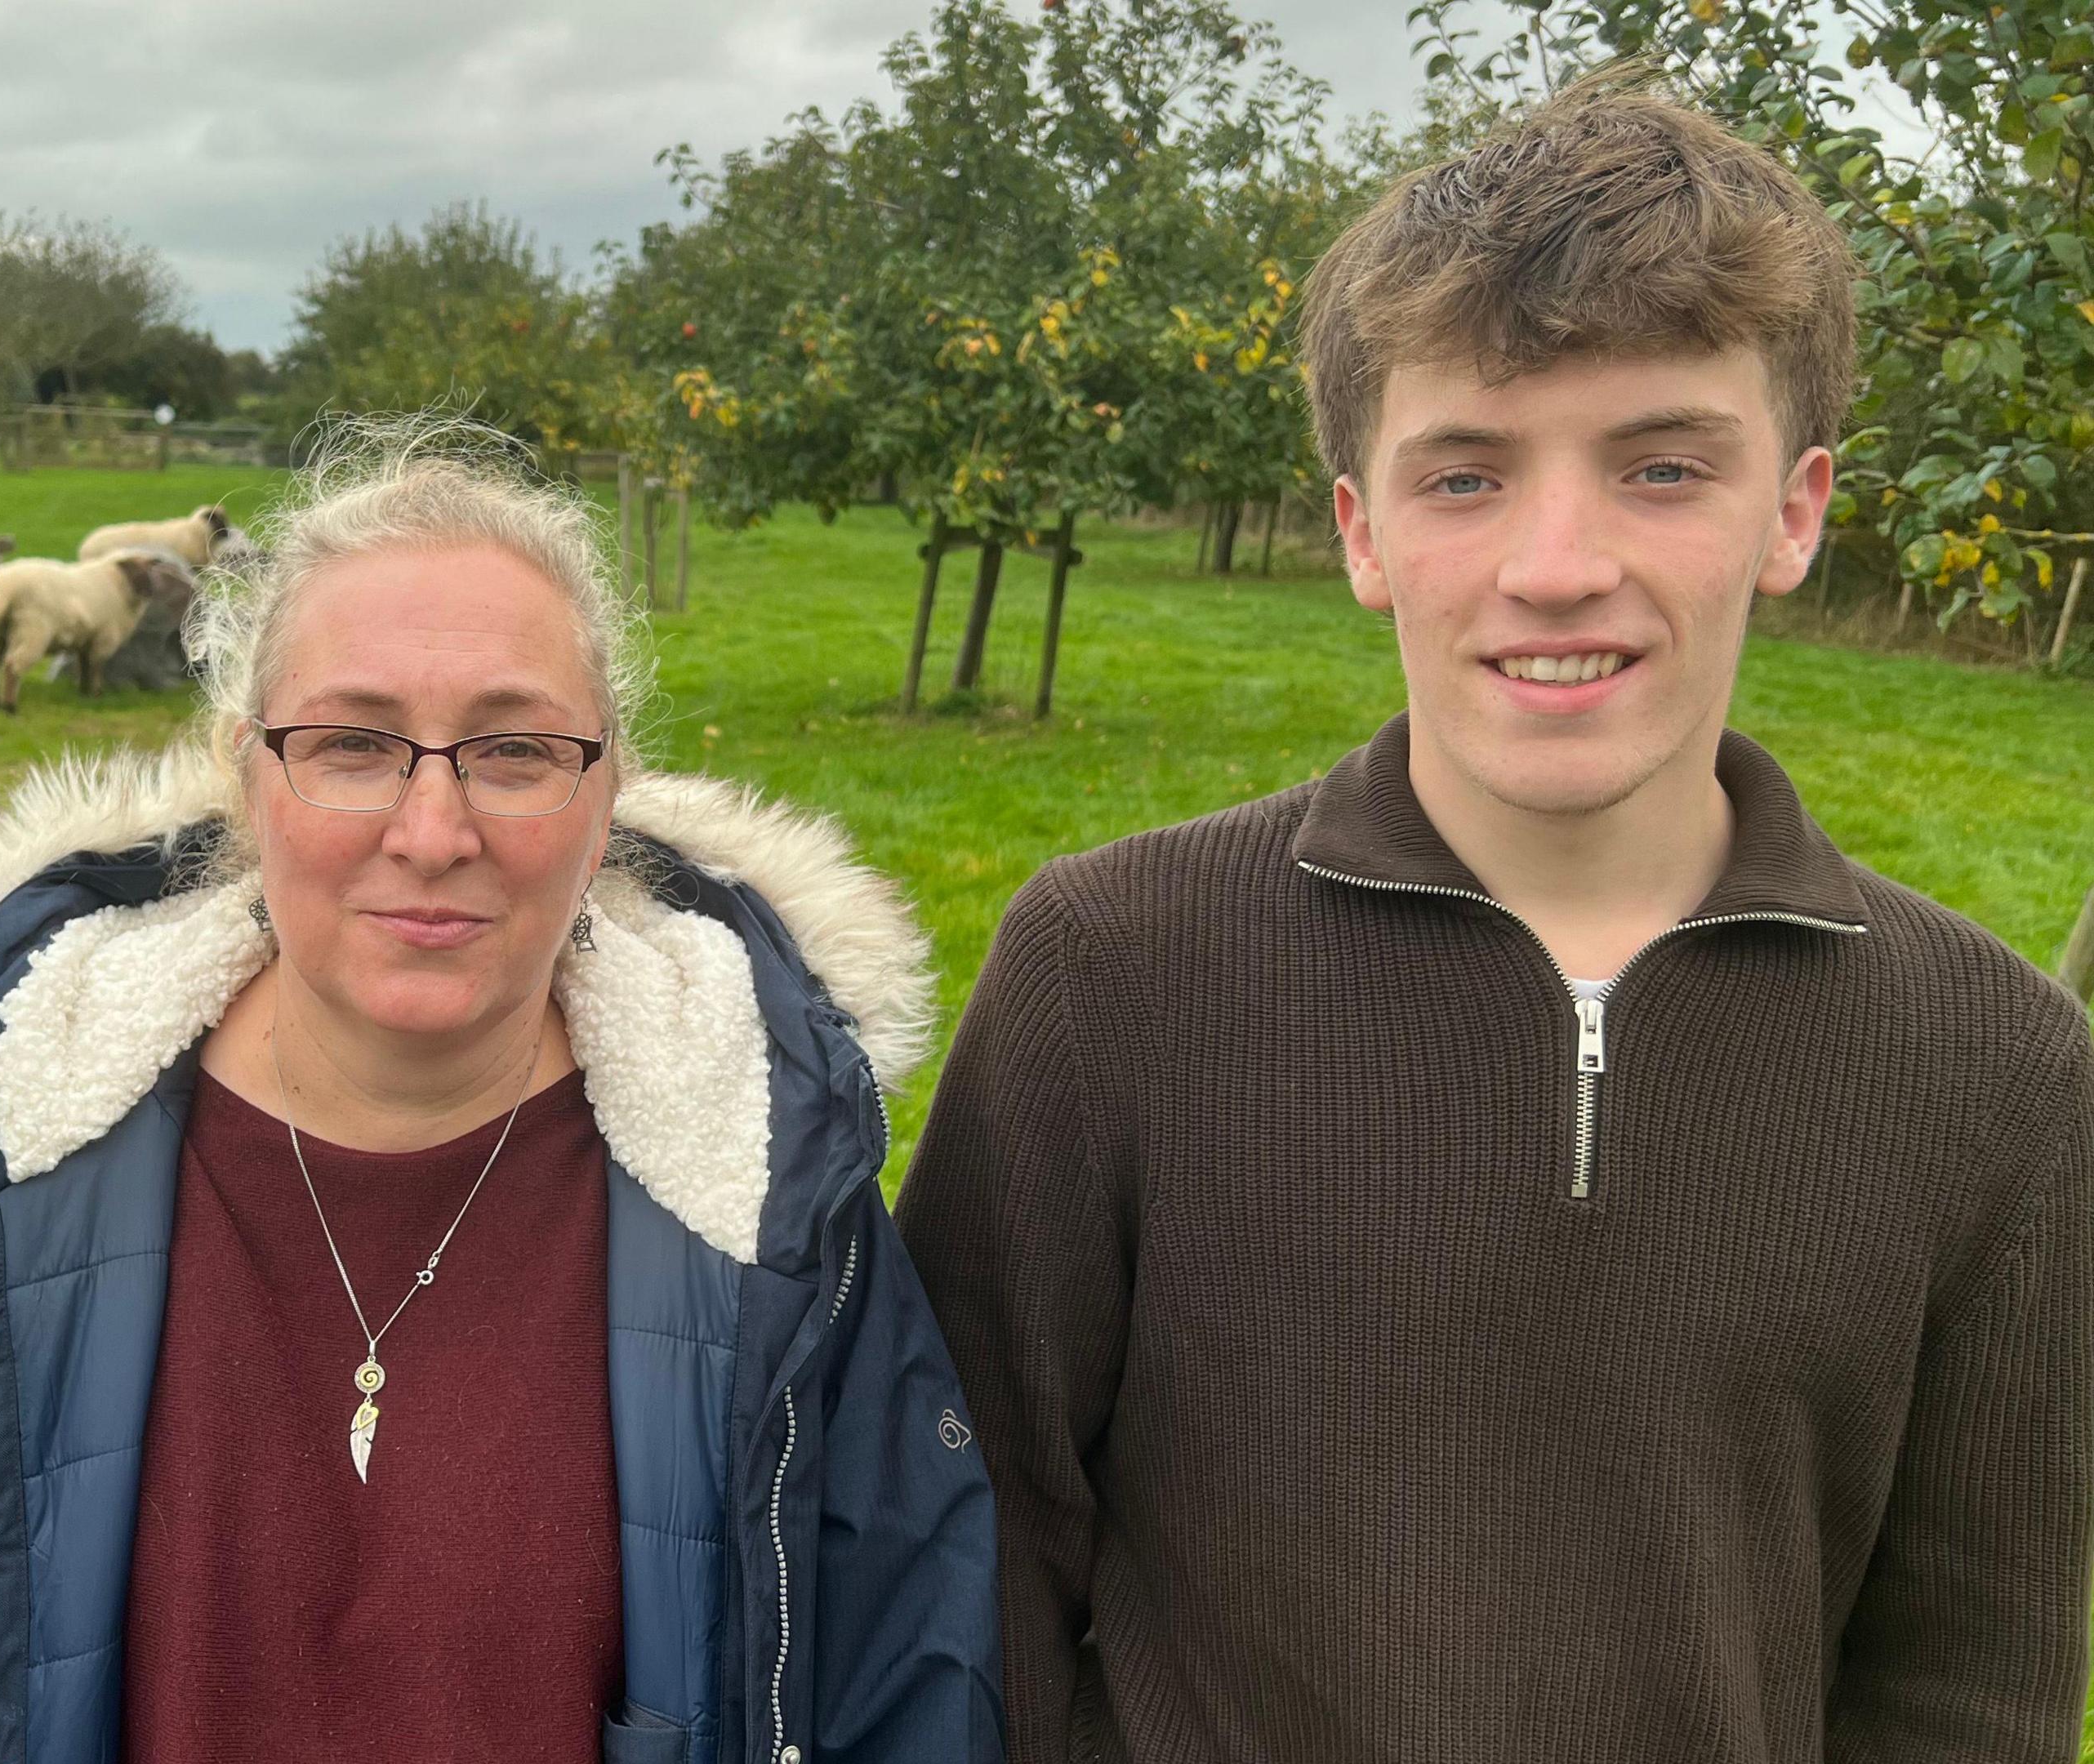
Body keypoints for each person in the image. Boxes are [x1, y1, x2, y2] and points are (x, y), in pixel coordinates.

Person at [896, 75, 2094, 1764]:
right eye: (1464, 478)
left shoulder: (2000, 1064)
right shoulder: (1110, 973)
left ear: (1799, 511)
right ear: (1361, 531)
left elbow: (1969, 1685)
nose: (1555, 562)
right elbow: (976, 1553)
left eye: (1663, 466)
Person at [0, 422, 1003, 1763]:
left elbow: (908, 1684)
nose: (432, 835)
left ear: (605, 797)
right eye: (352, 744)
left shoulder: (775, 1198)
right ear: (248, 780)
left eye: (514, 752)